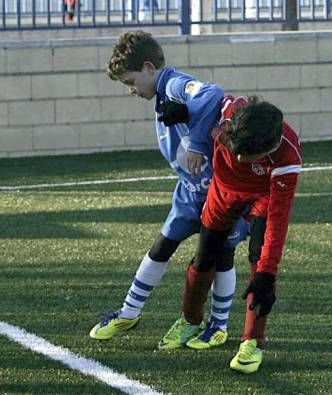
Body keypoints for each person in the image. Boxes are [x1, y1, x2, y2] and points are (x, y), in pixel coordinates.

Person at [89, 30, 250, 350]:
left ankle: (217, 326)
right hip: (189, 192)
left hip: (218, 193)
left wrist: (197, 144)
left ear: (149, 67)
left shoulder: (174, 84)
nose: (132, 90)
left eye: (131, 82)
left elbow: (210, 94)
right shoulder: (161, 93)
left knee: (222, 257)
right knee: (161, 247)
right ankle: (128, 313)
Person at [164, 95, 302, 373]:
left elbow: (278, 219)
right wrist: (185, 111)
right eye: (234, 149)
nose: (238, 157)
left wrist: (268, 272)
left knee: (259, 262)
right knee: (204, 256)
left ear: (269, 147)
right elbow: (205, 100)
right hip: (223, 191)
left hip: (264, 197)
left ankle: (252, 341)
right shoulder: (229, 111)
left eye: (245, 156)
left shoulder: (287, 156)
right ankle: (190, 321)